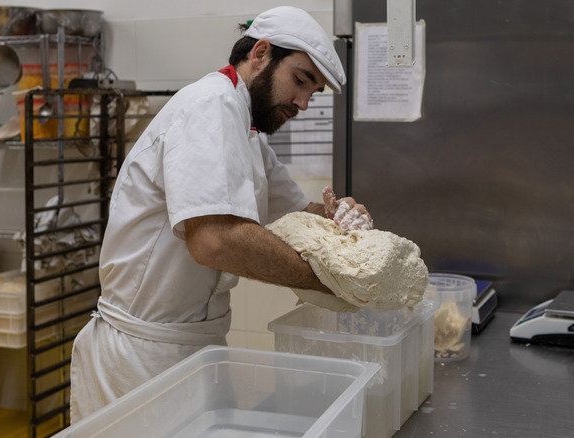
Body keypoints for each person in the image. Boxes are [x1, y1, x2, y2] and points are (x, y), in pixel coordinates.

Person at [69, 6, 373, 422]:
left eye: (312, 92)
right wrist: (327, 278)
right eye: (300, 80)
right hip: (143, 355)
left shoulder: (248, 132)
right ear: (261, 54)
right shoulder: (209, 104)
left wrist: (343, 221)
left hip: (195, 346)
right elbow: (214, 240)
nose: (302, 102)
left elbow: (303, 214)